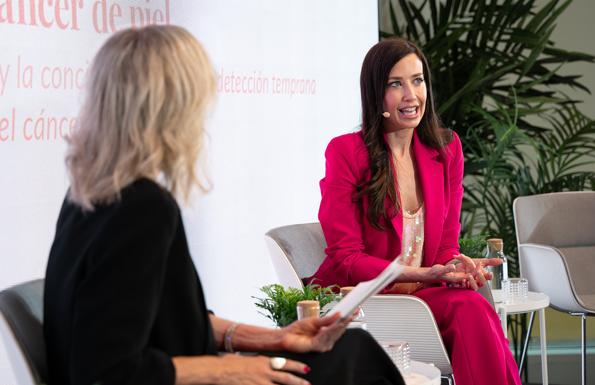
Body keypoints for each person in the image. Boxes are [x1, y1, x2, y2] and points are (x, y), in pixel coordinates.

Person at [43, 25, 406, 385]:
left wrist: (274, 338)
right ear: (172, 107)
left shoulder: (88, 197)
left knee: (349, 348)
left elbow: (167, 322)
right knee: (357, 359)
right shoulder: (143, 209)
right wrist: (233, 369)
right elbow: (108, 372)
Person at [306, 38, 522, 385]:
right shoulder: (346, 152)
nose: (411, 95)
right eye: (396, 84)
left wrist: (455, 265)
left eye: (418, 80)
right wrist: (424, 273)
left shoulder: (446, 149)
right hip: (364, 300)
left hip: (421, 298)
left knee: (472, 303)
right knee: (470, 308)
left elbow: (444, 247)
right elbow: (346, 258)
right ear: (376, 94)